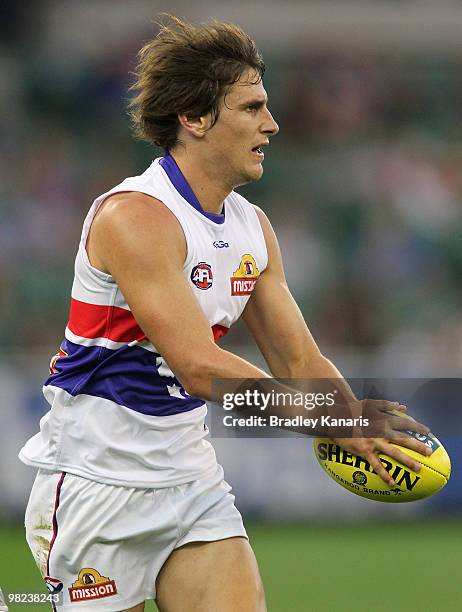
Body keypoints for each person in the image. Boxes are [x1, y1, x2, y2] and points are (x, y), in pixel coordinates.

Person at [19, 15, 432, 612]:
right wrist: (325, 418)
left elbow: (299, 357)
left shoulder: (251, 227)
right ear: (193, 118)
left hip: (191, 484)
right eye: (251, 108)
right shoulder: (135, 217)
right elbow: (199, 367)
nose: (273, 124)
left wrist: (355, 421)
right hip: (94, 487)